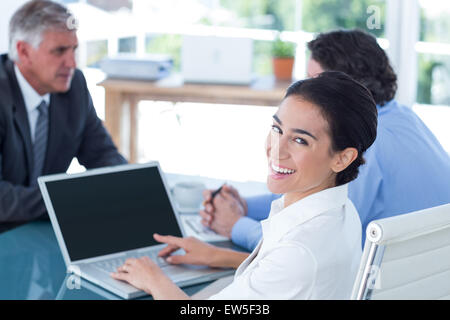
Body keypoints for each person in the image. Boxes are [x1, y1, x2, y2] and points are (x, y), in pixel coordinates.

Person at [111, 71, 378, 299]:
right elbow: (289, 274)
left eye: (300, 141)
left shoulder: (300, 253)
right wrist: (217, 256)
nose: (277, 150)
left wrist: (153, 279)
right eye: (277, 129)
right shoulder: (343, 212)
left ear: (342, 158)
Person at [200, 29, 450, 251]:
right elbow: (310, 195)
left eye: (315, 82)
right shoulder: (403, 117)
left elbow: (309, 240)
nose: (306, 90)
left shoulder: (365, 144)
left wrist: (235, 224)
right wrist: (243, 206)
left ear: (344, 89)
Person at [0, 0, 127, 233]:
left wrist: (121, 183)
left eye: (74, 49)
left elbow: (103, 155)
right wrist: (72, 199)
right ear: (23, 51)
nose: (72, 63)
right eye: (59, 51)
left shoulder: (74, 85)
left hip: (46, 232)